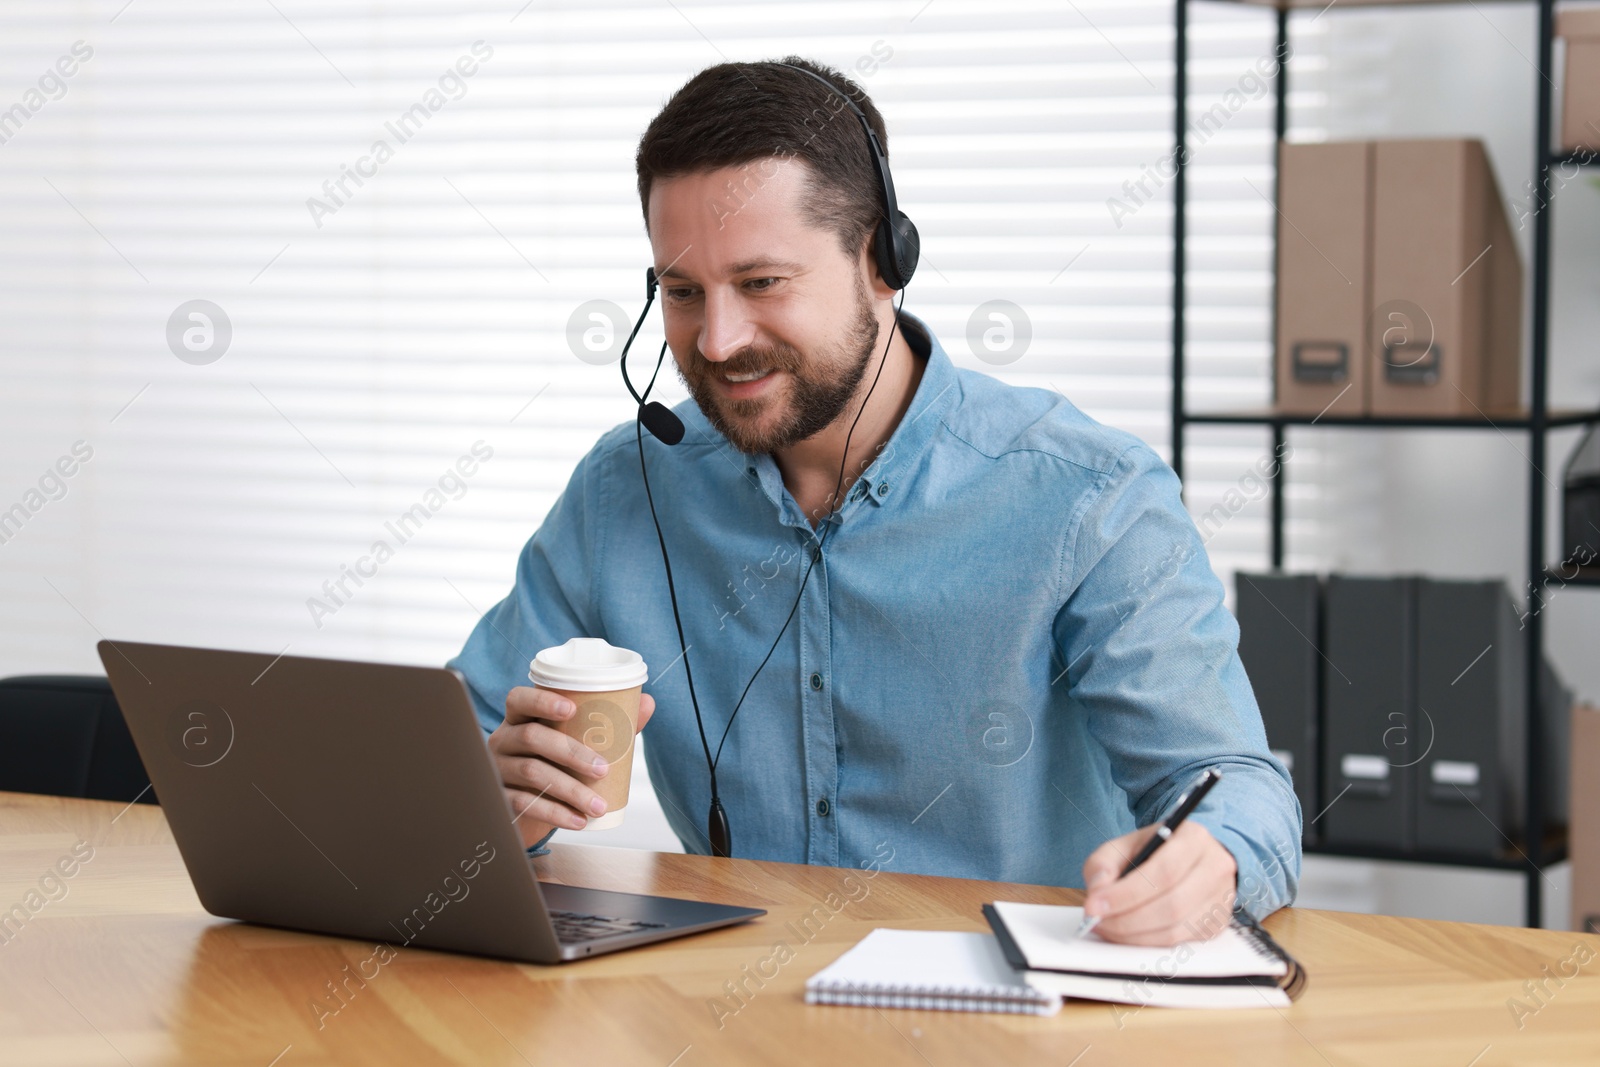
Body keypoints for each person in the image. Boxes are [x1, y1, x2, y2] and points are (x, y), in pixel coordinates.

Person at [447, 57, 1301, 946]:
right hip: (724, 1012)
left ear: (883, 260)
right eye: (683, 291)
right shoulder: (628, 489)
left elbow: (1234, 786)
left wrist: (1213, 862)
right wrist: (495, 803)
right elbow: (441, 761)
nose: (718, 338)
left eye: (762, 282)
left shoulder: (1089, 498)